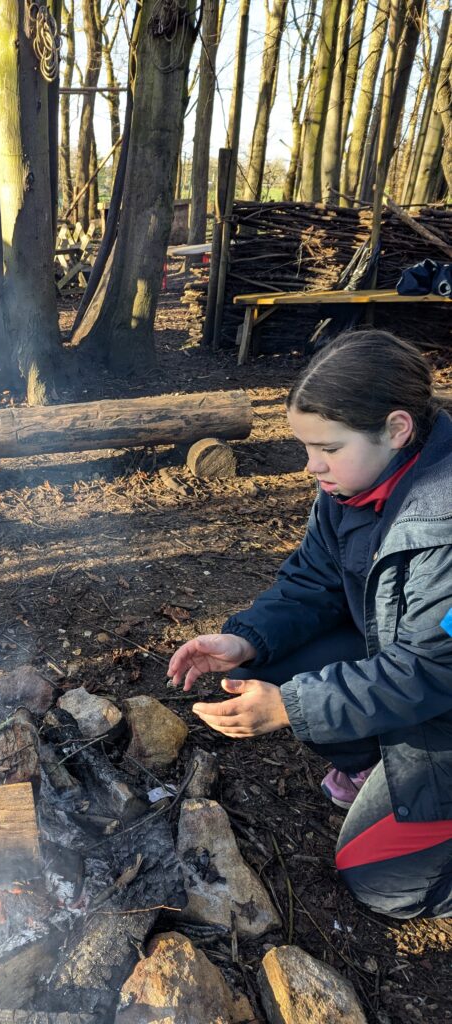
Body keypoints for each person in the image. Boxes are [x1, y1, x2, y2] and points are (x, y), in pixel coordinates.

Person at [167, 330, 452, 920]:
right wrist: (246, 636)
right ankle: (380, 763)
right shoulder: (350, 483)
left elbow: (430, 671)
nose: (309, 466)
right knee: (258, 668)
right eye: (305, 446)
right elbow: (312, 582)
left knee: (385, 883)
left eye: (326, 447)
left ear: (397, 430)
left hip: (438, 694)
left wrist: (293, 708)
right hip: (411, 678)